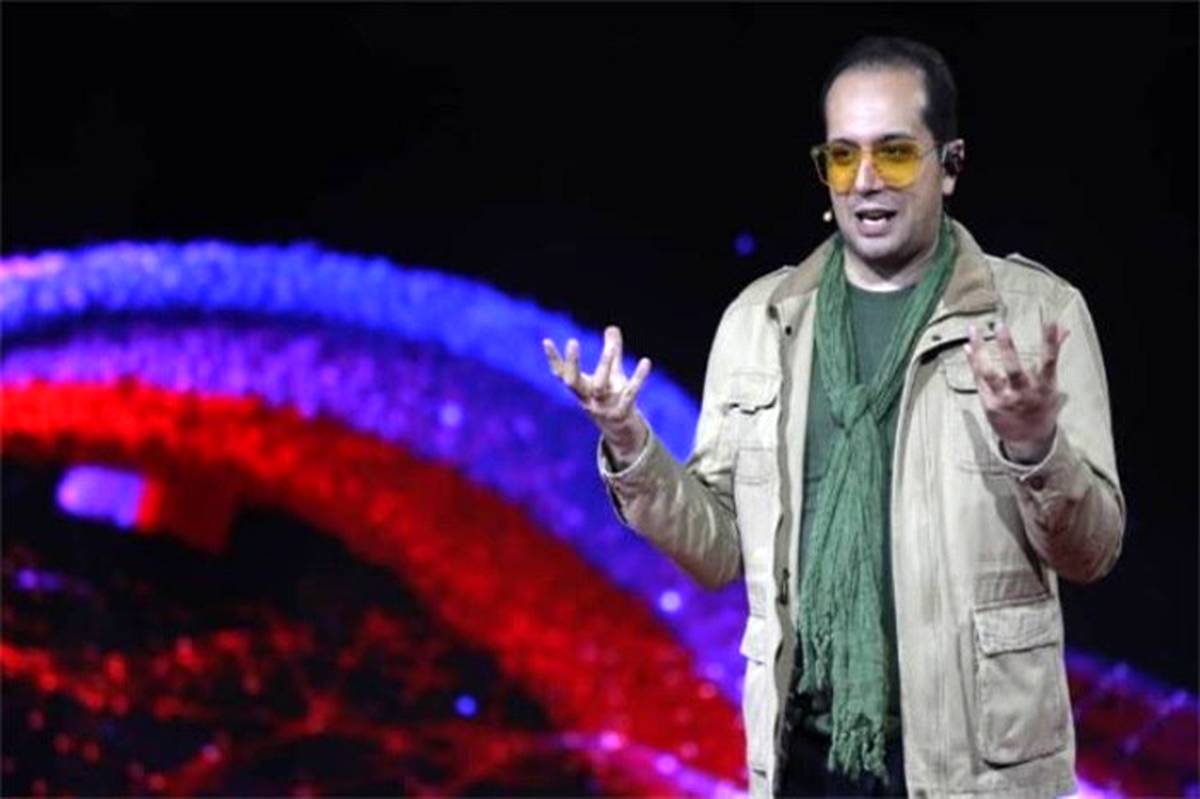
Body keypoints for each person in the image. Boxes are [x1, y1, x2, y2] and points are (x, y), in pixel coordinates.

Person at [543, 36, 1123, 798]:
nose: (866, 180)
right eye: (843, 156)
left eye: (895, 153)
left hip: (974, 767)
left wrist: (1034, 443)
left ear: (950, 164)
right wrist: (631, 448)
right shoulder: (760, 321)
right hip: (807, 761)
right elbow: (720, 549)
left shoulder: (1037, 317)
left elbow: (1092, 551)